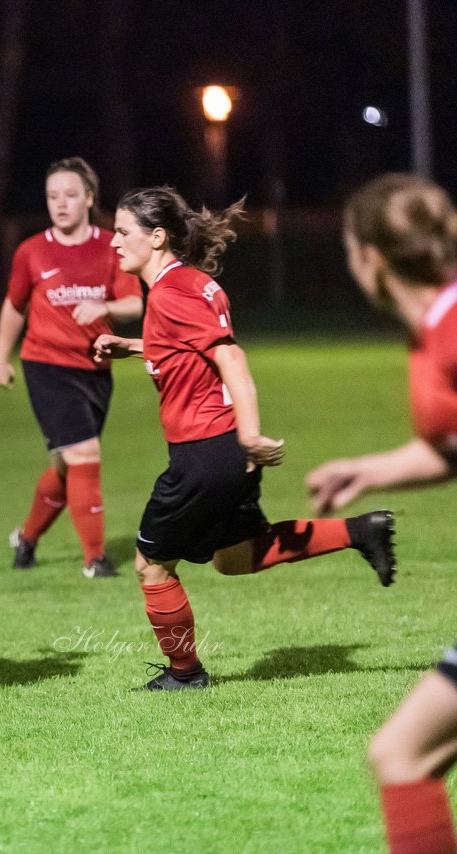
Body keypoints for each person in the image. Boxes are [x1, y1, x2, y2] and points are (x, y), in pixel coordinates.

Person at [92, 186, 397, 691]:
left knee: (151, 565)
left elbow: (229, 356)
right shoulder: (186, 285)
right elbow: (186, 343)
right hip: (222, 450)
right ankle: (360, 531)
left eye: (123, 232)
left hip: (204, 451)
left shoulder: (171, 291)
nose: (115, 242)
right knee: (236, 558)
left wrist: (250, 432)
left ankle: (185, 675)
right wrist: (132, 345)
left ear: (158, 236)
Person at [307, 174, 457, 853]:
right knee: (402, 756)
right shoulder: (432, 331)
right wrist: (367, 471)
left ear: (370, 257)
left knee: (401, 754)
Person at [0, 157, 143, 577]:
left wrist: (104, 305)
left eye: (70, 195)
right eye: (52, 196)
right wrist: (2, 357)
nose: (60, 204)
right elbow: (14, 306)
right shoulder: (32, 251)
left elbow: (134, 303)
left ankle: (27, 539)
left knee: (67, 466)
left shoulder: (112, 245)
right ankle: (95, 559)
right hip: (46, 367)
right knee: (85, 453)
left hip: (96, 370)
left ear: (90, 198)